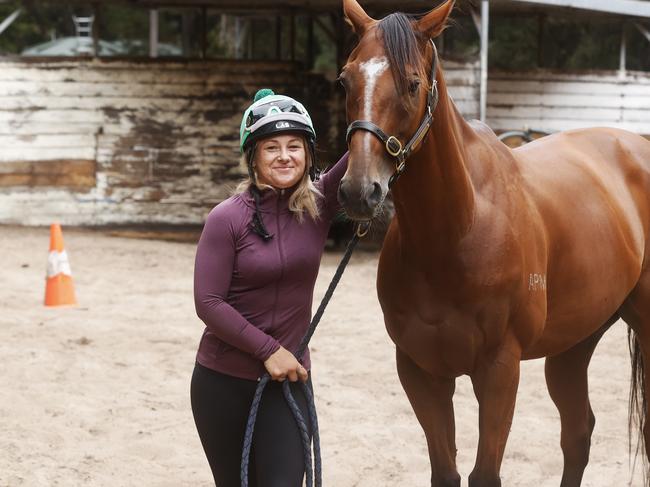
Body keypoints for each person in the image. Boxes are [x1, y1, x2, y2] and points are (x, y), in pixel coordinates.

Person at [191, 88, 349, 487]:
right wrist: (269, 350)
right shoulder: (226, 219)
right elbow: (208, 302)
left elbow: (371, 139)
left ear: (308, 154)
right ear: (253, 156)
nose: (284, 156)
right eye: (271, 147)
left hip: (287, 383)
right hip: (221, 383)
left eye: (295, 146)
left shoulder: (320, 203)